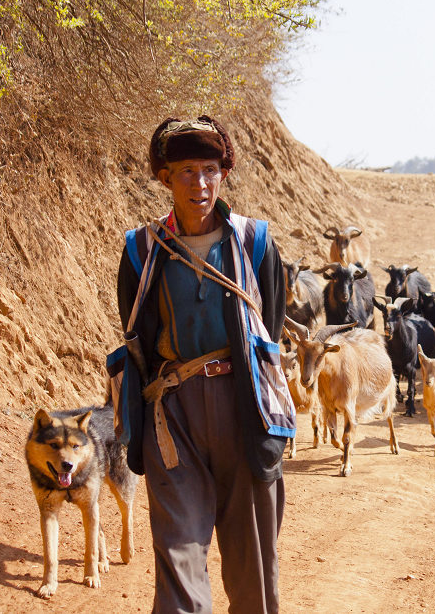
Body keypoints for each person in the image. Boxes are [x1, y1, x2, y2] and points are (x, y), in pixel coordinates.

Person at [115, 116, 293, 613]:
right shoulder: (142, 250)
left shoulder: (256, 243)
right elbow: (139, 340)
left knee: (252, 567)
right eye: (187, 170)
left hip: (246, 412)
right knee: (178, 557)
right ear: (164, 177)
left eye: (210, 169)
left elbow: (269, 332)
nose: (199, 183)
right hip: (173, 418)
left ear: (225, 173)